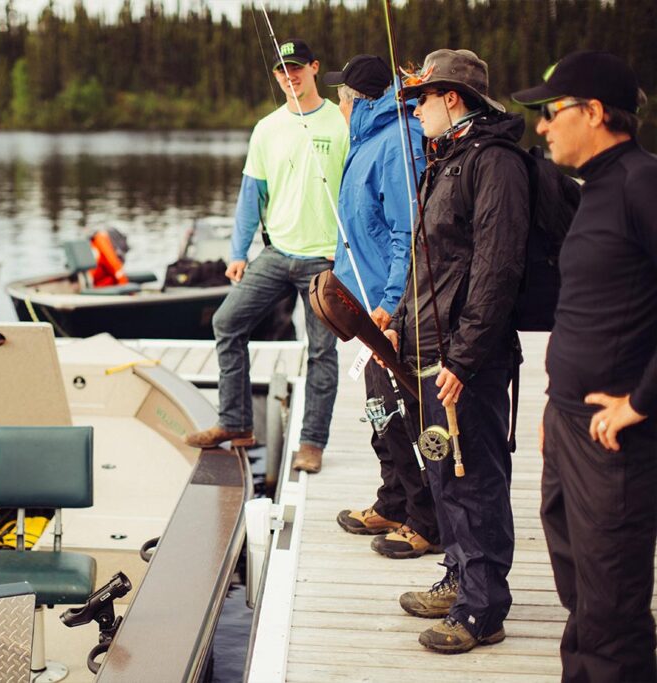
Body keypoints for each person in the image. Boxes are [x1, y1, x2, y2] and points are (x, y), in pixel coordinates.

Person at [513, 51, 656, 682]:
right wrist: (554, 404)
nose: (542, 127)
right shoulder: (594, 189)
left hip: (614, 436)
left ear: (594, 113)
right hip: (569, 424)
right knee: (581, 598)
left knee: (612, 611)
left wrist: (641, 402)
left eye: (551, 112)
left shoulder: (642, 183)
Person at [385, 49, 529, 653]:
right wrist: (394, 321)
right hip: (426, 350)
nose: (415, 111)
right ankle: (459, 576)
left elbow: (497, 271)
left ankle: (483, 609)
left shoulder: (495, 164)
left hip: (470, 362)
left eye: (423, 99)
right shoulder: (444, 161)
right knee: (442, 467)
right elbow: (429, 262)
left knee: (477, 480)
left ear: (453, 99)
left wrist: (464, 361)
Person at [183, 38, 349, 474]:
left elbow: (360, 193)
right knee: (226, 323)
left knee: (321, 352)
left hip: (325, 261)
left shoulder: (341, 121)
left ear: (314, 68)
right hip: (276, 255)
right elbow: (250, 196)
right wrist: (238, 252)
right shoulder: (267, 128)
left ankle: (312, 443)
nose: (289, 76)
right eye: (281, 70)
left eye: (296, 67)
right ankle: (235, 423)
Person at [324, 55, 439, 559]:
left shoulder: (398, 143)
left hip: (389, 310)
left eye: (341, 98)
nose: (337, 106)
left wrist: (391, 305)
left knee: (402, 413)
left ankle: (426, 519)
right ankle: (393, 500)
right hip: (364, 306)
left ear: (359, 101)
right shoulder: (370, 140)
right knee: (379, 411)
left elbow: (406, 232)